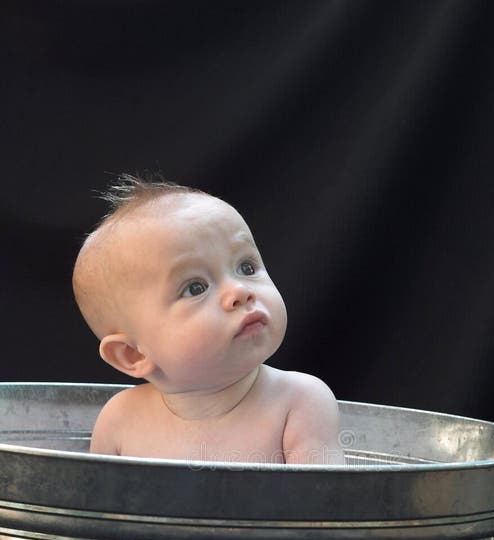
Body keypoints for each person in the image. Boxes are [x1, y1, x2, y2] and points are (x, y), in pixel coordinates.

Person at [72, 175, 344, 465]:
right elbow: (99, 510)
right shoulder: (120, 421)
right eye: (195, 288)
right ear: (133, 354)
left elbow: (322, 505)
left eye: (247, 267)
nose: (240, 291)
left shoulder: (300, 403)